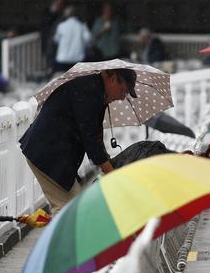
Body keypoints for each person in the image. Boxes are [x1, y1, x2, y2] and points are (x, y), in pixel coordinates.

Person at [20, 68, 137, 213]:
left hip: (53, 154)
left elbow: (95, 136)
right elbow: (91, 141)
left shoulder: (96, 91)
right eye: (123, 91)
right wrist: (112, 173)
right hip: (46, 154)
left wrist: (107, 162)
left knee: (72, 212)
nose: (122, 98)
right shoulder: (88, 92)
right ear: (113, 79)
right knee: (70, 213)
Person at [53, 5, 90, 73]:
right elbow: (88, 41)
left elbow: (56, 40)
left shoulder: (61, 26)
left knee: (63, 81)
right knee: (76, 81)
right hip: (77, 58)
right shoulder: (82, 26)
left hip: (63, 59)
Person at [41, 0, 64, 69]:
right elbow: (45, 23)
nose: (60, 6)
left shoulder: (60, 13)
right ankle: (50, 70)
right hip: (48, 37)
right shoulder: (47, 12)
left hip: (56, 38)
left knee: (55, 55)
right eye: (58, 4)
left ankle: (53, 69)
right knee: (49, 55)